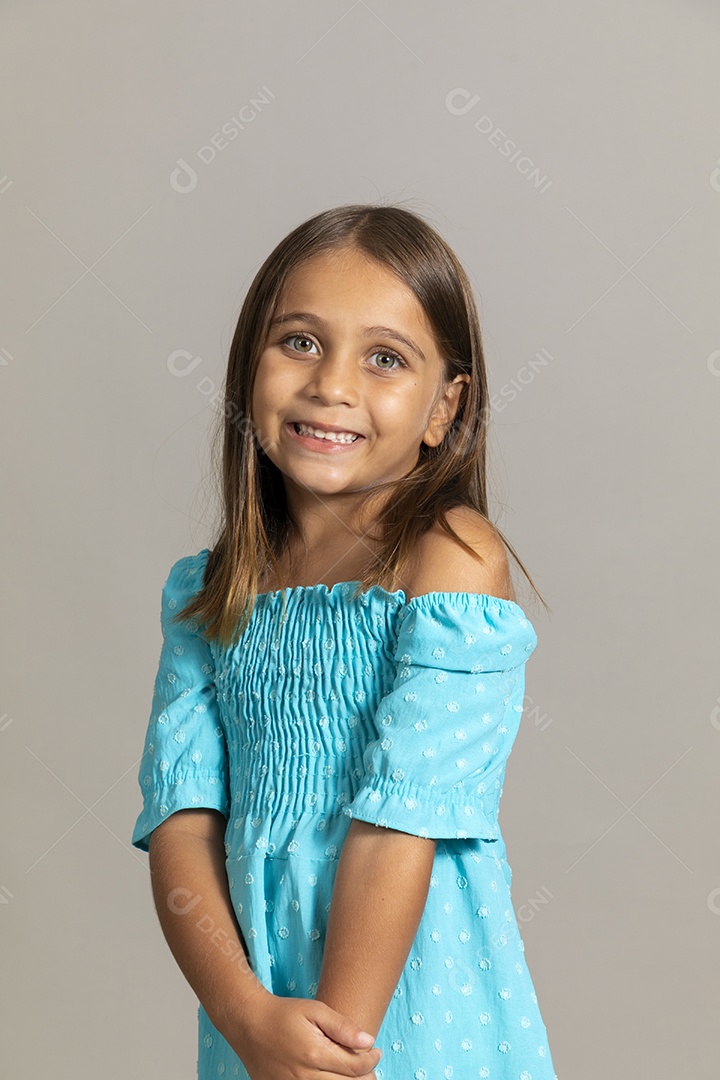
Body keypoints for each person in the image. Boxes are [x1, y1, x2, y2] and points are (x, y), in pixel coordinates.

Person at [131, 203, 558, 1080]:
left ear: (446, 406)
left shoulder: (451, 562)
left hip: (397, 1008)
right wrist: (248, 1018)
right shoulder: (208, 594)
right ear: (249, 361)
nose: (333, 385)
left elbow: (398, 822)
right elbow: (179, 822)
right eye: (299, 341)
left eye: (386, 359)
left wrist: (332, 1047)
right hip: (262, 1014)